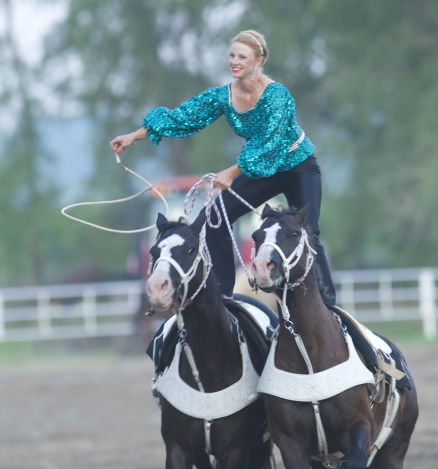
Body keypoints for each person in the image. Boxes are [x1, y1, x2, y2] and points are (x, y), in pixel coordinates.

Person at [110, 29, 337, 306]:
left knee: (308, 232)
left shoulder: (277, 95)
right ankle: (223, 299)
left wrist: (231, 173)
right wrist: (133, 136)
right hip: (260, 170)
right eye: (232, 55)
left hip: (297, 166)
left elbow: (269, 144)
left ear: (258, 61)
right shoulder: (222, 96)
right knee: (215, 216)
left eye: (242, 56)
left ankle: (329, 306)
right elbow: (183, 118)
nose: (235, 61)